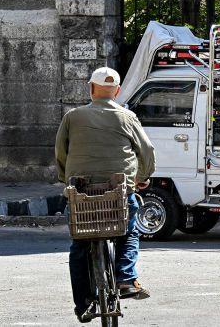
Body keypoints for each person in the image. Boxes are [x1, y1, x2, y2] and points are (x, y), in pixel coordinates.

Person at [55, 67, 156, 323]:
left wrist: (65, 179)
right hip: (119, 190)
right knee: (129, 231)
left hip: (81, 191)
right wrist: (141, 178)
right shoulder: (127, 116)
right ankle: (125, 278)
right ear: (118, 91)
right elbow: (147, 151)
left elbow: (60, 152)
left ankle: (83, 305)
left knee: (79, 246)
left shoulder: (72, 117)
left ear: (91, 89)